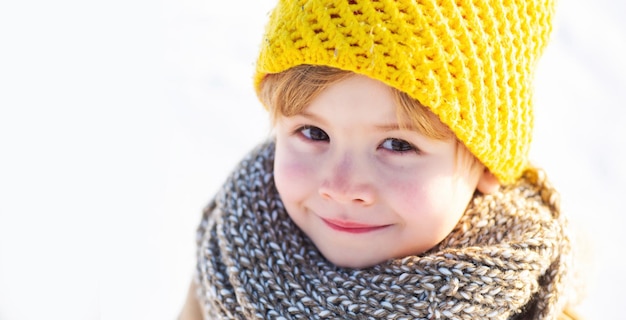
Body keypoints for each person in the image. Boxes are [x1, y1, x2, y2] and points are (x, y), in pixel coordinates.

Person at [179, 0, 583, 318]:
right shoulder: (231, 264)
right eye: (314, 133)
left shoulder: (530, 306)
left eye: (398, 145)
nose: (341, 188)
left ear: (485, 162)